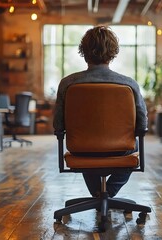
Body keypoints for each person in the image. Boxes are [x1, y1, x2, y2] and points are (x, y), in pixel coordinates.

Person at [53, 25, 148, 198]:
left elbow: (58, 125)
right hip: (121, 151)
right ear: (113, 52)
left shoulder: (67, 84)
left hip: (82, 150)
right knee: (133, 153)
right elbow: (142, 125)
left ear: (83, 51)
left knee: (85, 145)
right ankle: (108, 195)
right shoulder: (129, 84)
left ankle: (99, 196)